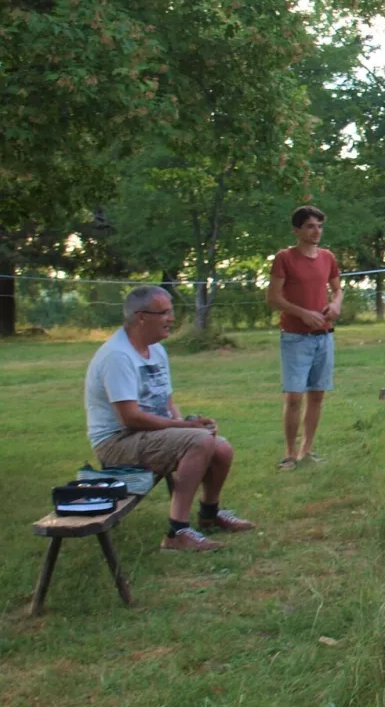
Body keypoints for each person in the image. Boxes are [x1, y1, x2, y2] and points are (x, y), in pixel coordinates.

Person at [84, 286, 255, 552]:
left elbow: (167, 402)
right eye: (164, 313)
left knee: (220, 447)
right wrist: (187, 430)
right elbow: (130, 418)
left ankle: (209, 514)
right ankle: (177, 532)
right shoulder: (118, 356)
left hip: (148, 435)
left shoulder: (156, 350)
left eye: (170, 312)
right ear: (141, 317)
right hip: (117, 442)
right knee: (198, 441)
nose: (171, 319)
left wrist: (190, 422)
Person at [267, 205, 342, 471]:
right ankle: (289, 454)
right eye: (310, 226)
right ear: (297, 230)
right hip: (295, 337)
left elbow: (337, 289)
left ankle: (306, 450)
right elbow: (273, 298)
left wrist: (335, 305)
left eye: (320, 226)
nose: (316, 231)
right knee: (294, 396)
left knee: (317, 395)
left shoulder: (327, 257)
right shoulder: (284, 258)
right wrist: (302, 313)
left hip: (324, 335)